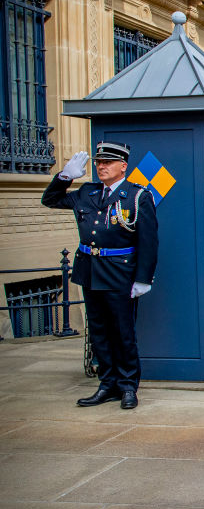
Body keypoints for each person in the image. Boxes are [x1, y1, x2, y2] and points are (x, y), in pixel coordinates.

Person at [42, 142, 157, 410]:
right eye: (98, 162)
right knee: (99, 332)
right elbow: (50, 200)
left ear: (123, 166)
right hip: (90, 271)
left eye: (107, 162)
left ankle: (127, 386)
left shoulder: (137, 196)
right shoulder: (87, 192)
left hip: (120, 273)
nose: (101, 167)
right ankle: (107, 384)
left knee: (123, 333)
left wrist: (143, 278)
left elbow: (148, 241)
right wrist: (65, 177)